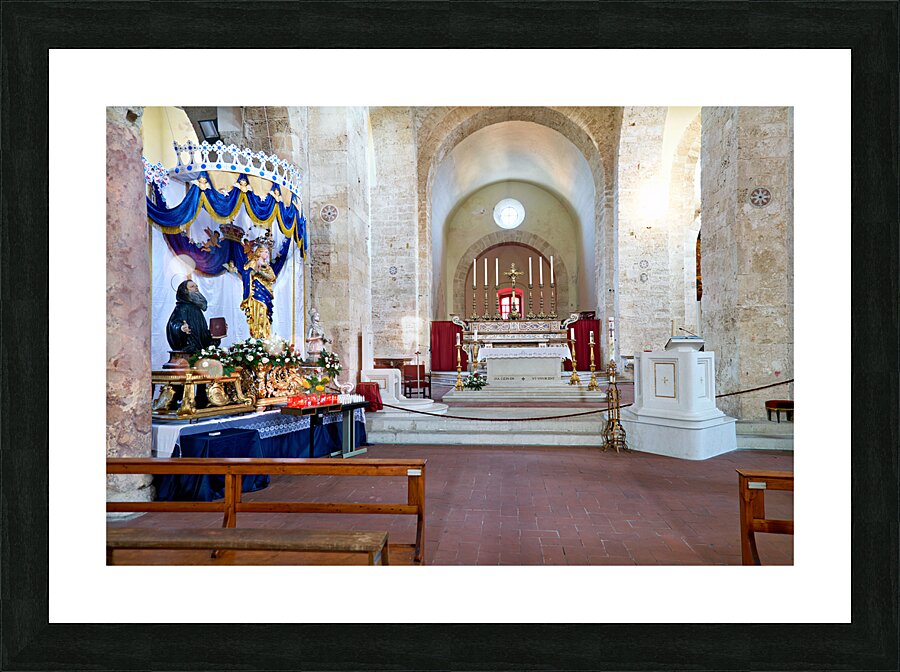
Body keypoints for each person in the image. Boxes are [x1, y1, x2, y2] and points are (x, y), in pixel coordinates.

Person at [166, 279, 222, 354]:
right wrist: (181, 328)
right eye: (192, 286)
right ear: (185, 291)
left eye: (196, 286)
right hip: (188, 351)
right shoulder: (182, 307)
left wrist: (217, 332)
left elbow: (202, 333)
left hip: (198, 351)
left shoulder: (196, 309)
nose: (196, 288)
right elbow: (173, 324)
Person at [240, 244, 276, 339]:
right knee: (258, 312)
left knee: (265, 313)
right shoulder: (252, 263)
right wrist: (253, 272)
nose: (267, 254)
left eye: (268, 252)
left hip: (265, 293)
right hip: (256, 292)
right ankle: (257, 335)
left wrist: (260, 272)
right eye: (265, 252)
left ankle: (265, 335)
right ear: (259, 252)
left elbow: (272, 277)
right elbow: (246, 273)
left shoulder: (267, 266)